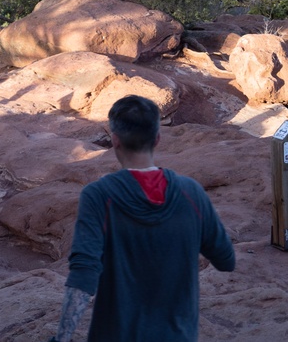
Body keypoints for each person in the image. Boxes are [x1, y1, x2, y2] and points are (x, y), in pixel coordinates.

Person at [50, 95, 236, 342]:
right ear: (157, 139)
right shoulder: (190, 192)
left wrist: (62, 338)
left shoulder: (99, 195)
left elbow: (84, 272)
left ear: (115, 140)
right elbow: (226, 260)